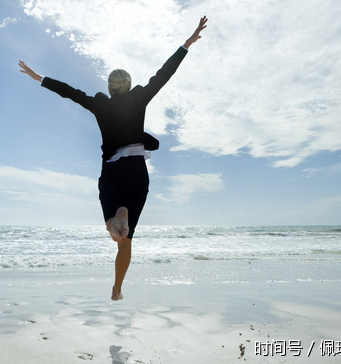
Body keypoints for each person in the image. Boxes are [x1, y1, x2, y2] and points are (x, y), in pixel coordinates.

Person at [19, 16, 208, 300]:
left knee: (113, 229)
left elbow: (71, 93)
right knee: (126, 240)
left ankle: (115, 219)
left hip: (112, 171)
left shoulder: (99, 105)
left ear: (109, 88)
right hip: (136, 170)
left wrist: (40, 78)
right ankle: (117, 286)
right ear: (129, 86)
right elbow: (163, 75)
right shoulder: (140, 97)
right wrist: (186, 44)